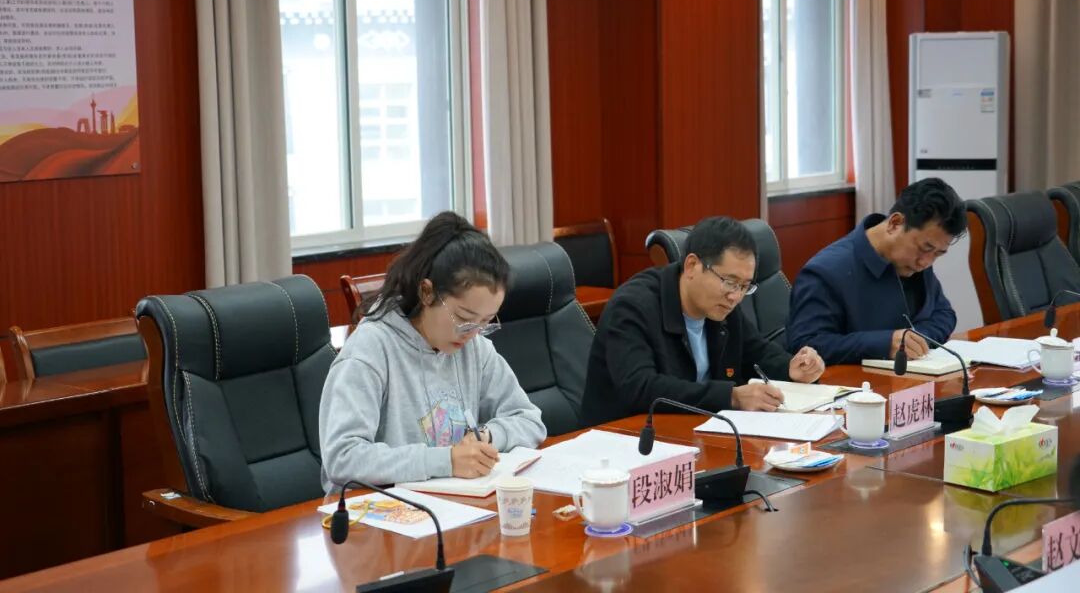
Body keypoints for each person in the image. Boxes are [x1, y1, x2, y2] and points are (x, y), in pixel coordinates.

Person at [319, 212, 546, 491]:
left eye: (486, 322)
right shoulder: (370, 351)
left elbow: (529, 419)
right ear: (427, 292)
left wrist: (485, 436)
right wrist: (445, 461)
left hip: (452, 503)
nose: (473, 333)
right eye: (464, 318)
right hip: (380, 510)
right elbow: (342, 457)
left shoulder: (474, 348)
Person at [581, 216, 825, 426]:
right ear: (692, 265)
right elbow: (641, 388)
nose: (735, 296)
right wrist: (731, 397)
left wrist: (792, 368)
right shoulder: (632, 306)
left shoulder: (722, 304)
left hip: (698, 431)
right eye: (729, 282)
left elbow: (756, 352)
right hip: (628, 440)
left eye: (744, 286)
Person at [786, 177, 967, 365]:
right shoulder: (826, 272)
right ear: (895, 223)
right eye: (925, 248)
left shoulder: (916, 260)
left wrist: (916, 340)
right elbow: (805, 345)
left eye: (938, 253)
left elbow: (944, 313)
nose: (926, 262)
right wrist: (884, 344)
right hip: (853, 382)